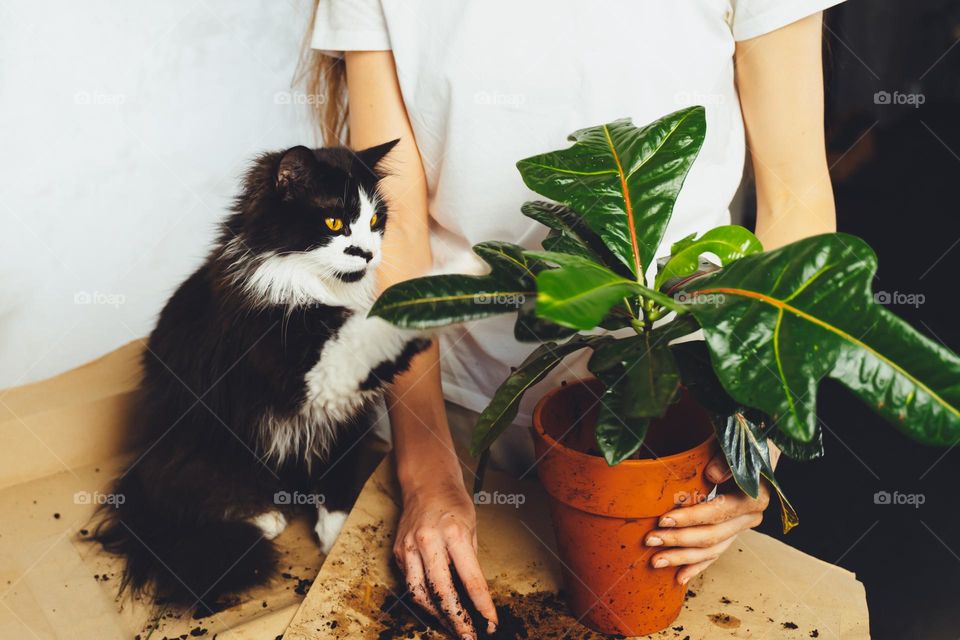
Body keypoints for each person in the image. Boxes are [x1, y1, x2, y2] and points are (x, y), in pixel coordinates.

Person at [306, 1, 841, 637]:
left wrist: (760, 428)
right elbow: (392, 232)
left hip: (681, 412)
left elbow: (795, 198)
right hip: (461, 408)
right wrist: (426, 470)